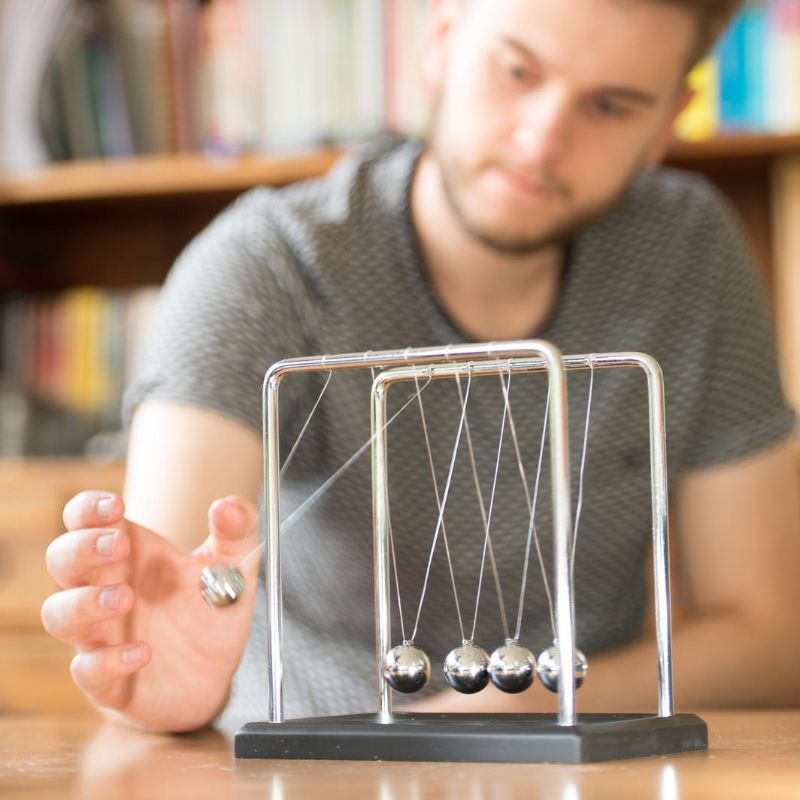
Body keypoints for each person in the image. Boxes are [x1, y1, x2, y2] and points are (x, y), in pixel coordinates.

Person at [42, 0, 800, 734]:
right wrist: (153, 687)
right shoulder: (265, 266)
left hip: (585, 770)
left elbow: (771, 638)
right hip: (311, 782)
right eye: (517, 71)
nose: (542, 140)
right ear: (441, 38)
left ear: (667, 122)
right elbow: (159, 602)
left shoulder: (689, 256)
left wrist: (516, 713)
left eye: (610, 106)